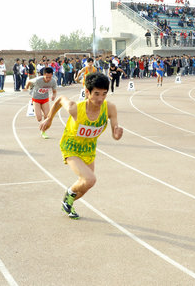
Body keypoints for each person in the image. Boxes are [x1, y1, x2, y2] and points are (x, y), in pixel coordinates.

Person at [39, 72, 123, 219]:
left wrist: (117, 134)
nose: (100, 98)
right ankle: (68, 196)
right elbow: (59, 100)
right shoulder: (75, 108)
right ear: (87, 92)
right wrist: (49, 119)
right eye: (96, 94)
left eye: (104, 94)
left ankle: (67, 202)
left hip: (89, 149)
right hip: (71, 146)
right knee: (90, 179)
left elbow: (115, 131)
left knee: (86, 185)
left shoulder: (109, 108)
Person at [24, 67, 58, 138]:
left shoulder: (53, 81)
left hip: (45, 99)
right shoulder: (38, 80)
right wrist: (26, 87)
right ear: (43, 75)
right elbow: (29, 81)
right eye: (46, 77)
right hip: (36, 99)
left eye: (50, 77)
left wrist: (54, 96)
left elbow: (54, 91)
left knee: (47, 117)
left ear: (52, 75)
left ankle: (43, 131)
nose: (48, 79)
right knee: (39, 118)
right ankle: (35, 107)